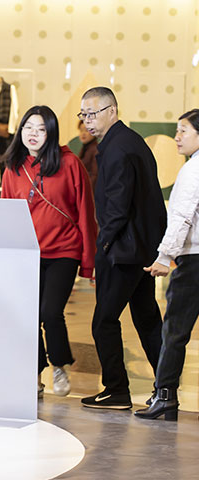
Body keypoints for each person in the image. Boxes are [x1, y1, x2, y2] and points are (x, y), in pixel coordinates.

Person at [0, 106, 97, 398]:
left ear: (51, 133)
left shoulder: (70, 164)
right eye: (28, 127)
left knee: (51, 312)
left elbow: (85, 212)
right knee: (28, 316)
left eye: (41, 129)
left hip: (64, 251)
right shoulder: (13, 167)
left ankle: (59, 365)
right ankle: (35, 373)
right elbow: (7, 213)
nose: (33, 134)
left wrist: (89, 263)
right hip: (27, 254)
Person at [78, 86, 166, 410]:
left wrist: (103, 245)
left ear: (112, 111)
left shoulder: (117, 149)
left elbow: (117, 207)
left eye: (92, 113)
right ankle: (166, 388)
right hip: (140, 248)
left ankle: (116, 389)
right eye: (83, 114)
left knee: (104, 321)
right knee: (147, 319)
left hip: (123, 251)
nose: (87, 120)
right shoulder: (129, 142)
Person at [135, 109, 199, 421]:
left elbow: (182, 217)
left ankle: (165, 396)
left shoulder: (193, 169)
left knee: (174, 330)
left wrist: (164, 257)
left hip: (193, 261)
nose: (177, 137)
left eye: (183, 130)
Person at [76, 119, 98, 192]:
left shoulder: (95, 150)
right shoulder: (84, 148)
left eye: (86, 130)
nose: (83, 134)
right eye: (81, 130)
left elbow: (95, 175)